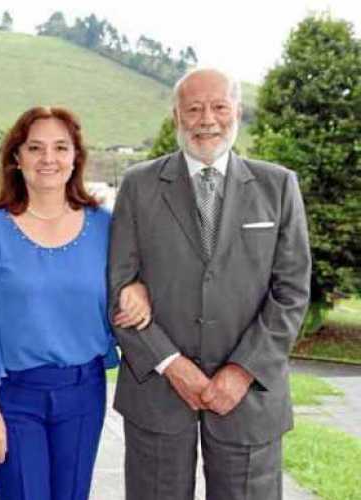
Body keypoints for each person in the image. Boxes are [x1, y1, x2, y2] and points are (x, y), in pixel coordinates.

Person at [109, 68, 311, 500]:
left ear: (237, 110)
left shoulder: (278, 186)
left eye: (219, 106)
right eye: (194, 108)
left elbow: (291, 292)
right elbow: (118, 289)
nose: (207, 119)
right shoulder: (138, 185)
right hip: (158, 393)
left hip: (249, 396)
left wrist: (240, 372)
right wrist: (172, 365)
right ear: (176, 114)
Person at [0, 106, 150, 500]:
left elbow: (131, 278)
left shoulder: (104, 226)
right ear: (16, 157)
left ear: (75, 157)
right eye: (35, 147)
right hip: (13, 396)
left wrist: (138, 288)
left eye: (61, 147)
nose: (48, 159)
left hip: (83, 391)